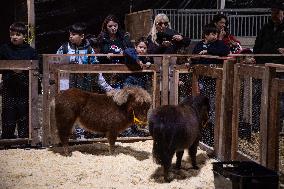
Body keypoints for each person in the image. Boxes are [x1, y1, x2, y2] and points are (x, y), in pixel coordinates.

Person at [0, 22, 38, 139]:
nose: (14, 37)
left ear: (24, 36)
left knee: (24, 112)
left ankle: (24, 137)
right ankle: (7, 137)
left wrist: (23, 70)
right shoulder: (4, 49)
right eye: (12, 34)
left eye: (18, 34)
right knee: (8, 112)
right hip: (8, 86)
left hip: (24, 86)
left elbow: (36, 68)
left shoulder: (30, 51)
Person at [97, 14, 139, 89]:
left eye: (115, 25)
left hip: (123, 72)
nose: (113, 28)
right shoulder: (102, 39)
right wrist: (106, 56)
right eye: (110, 26)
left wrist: (123, 53)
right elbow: (99, 57)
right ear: (106, 27)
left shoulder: (124, 38)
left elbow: (132, 50)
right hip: (108, 74)